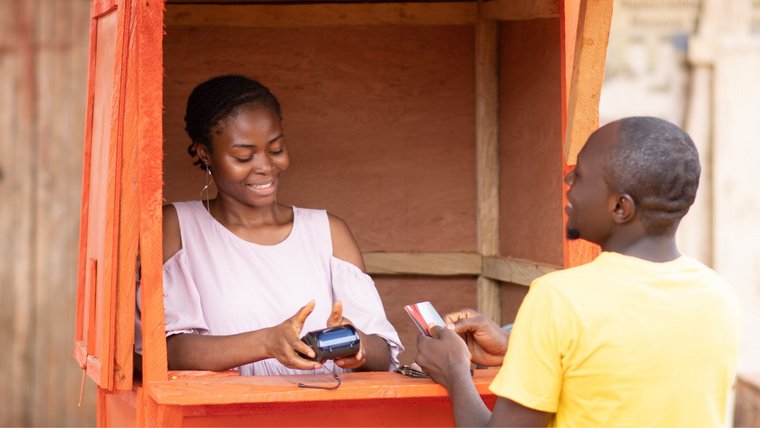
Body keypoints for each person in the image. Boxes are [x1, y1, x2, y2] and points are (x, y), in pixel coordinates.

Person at [415, 116, 741, 426]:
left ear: (619, 207)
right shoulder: (718, 296)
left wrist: (454, 370)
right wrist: (518, 347)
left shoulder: (558, 298)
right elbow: (629, 364)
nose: (568, 181)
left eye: (581, 175)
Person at [135, 74, 403, 376]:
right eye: (243, 156)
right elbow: (165, 350)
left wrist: (357, 344)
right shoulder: (178, 227)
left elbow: (383, 356)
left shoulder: (328, 232)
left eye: (275, 150)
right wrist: (266, 342)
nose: (266, 167)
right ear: (205, 153)